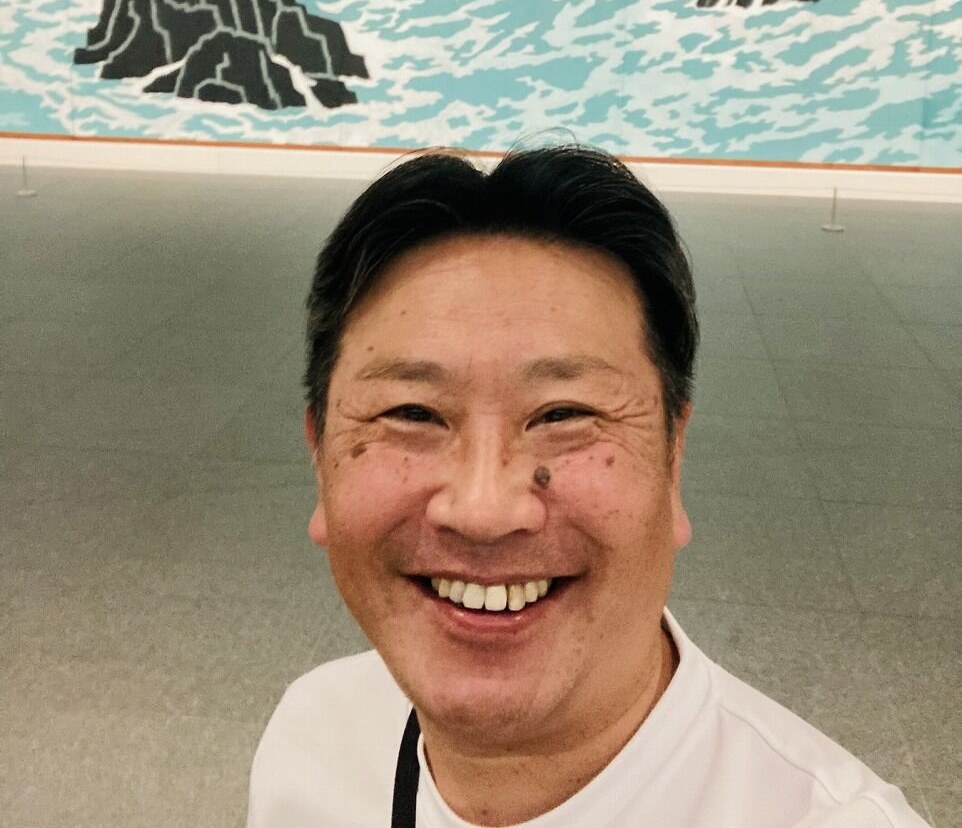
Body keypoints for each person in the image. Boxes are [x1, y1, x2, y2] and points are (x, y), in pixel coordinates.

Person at [247, 146, 929, 828]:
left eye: (564, 415)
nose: (484, 509)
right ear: (319, 454)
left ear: (673, 456)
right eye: (414, 414)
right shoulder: (309, 741)